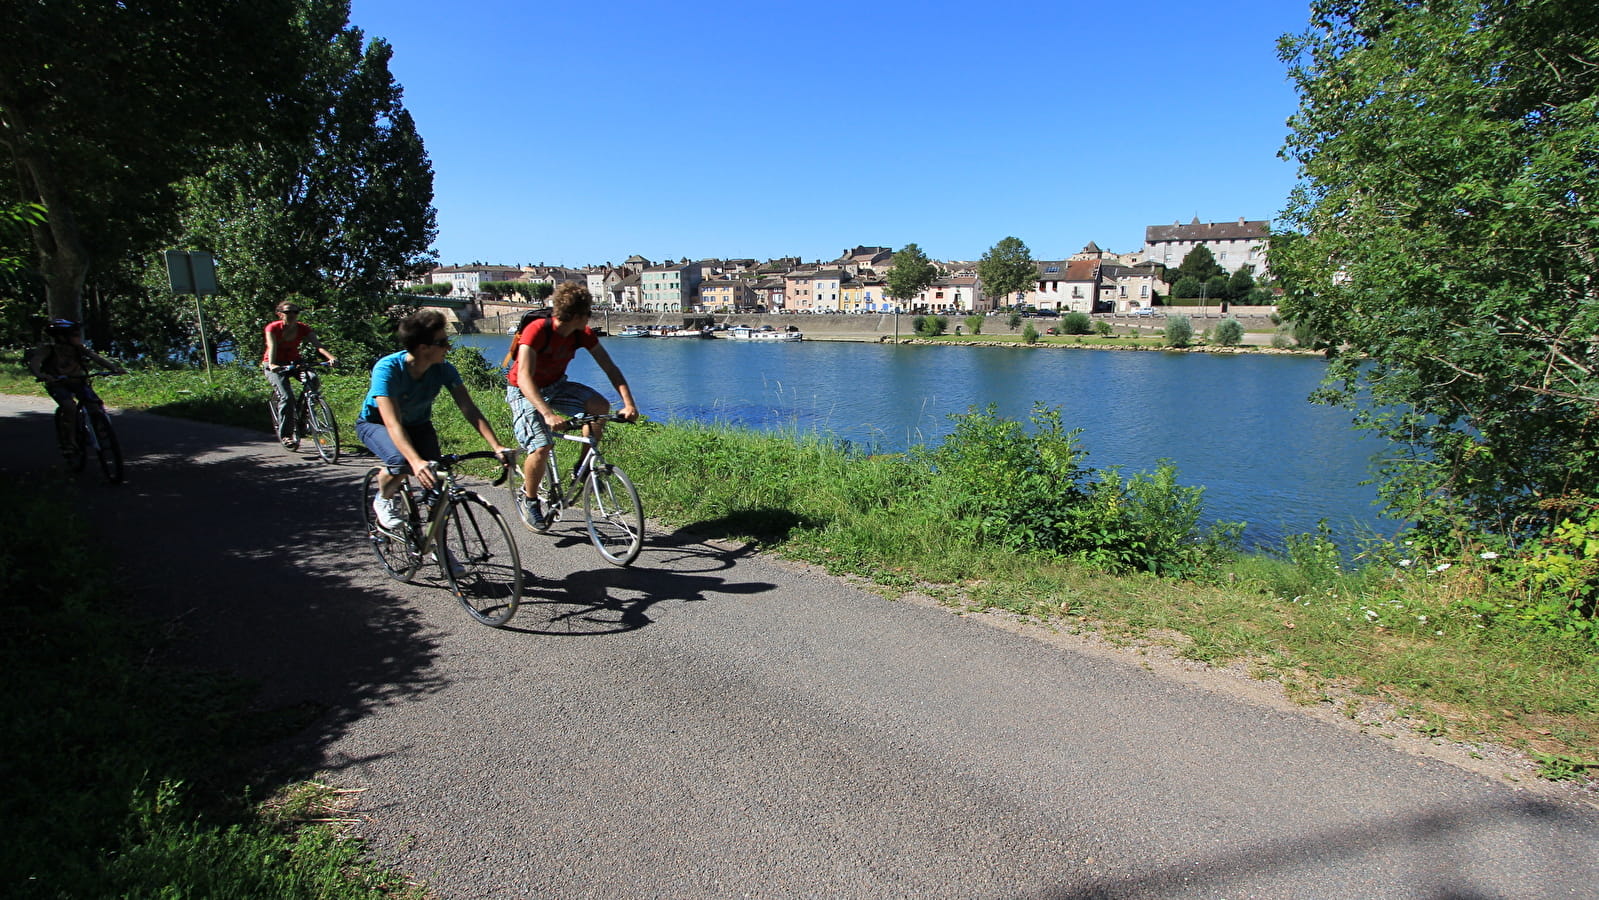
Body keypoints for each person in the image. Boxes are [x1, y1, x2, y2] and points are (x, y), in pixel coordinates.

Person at [358, 309, 515, 531]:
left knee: (438, 489)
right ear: (423, 348)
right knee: (400, 462)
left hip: (418, 425)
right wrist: (415, 461)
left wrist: (496, 445)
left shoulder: (444, 369)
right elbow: (392, 423)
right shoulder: (388, 369)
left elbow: (468, 408)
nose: (448, 347)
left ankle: (435, 546)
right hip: (377, 424)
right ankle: (384, 497)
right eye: (442, 342)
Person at [506, 282, 638, 528]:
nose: (590, 318)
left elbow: (610, 368)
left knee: (599, 406)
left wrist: (628, 403)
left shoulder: (582, 333)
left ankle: (583, 465)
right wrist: (547, 414)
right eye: (588, 313)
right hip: (523, 391)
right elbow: (523, 377)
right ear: (577, 316)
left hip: (557, 386)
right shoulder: (536, 330)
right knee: (541, 446)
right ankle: (531, 499)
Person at [27, 318, 125, 452]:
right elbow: (35, 363)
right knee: (69, 407)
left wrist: (114, 368)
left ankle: (100, 431)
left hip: (78, 381)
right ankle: (69, 441)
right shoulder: (48, 349)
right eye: (75, 335)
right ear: (62, 336)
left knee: (95, 405)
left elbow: (96, 358)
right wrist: (41, 375)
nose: (79, 338)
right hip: (58, 384)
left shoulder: (79, 349)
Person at [263, 299, 337, 449]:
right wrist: (272, 364)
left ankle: (305, 415)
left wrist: (331, 358)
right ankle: (286, 435)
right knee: (287, 397)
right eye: (288, 312)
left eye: (295, 312)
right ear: (280, 314)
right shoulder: (273, 328)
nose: (292, 315)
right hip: (274, 364)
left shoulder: (303, 328)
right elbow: (272, 346)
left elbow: (318, 345)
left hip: (295, 362)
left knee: (313, 379)